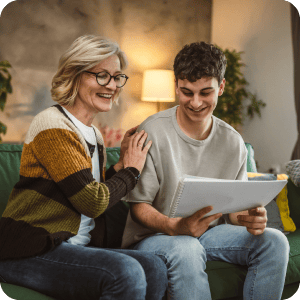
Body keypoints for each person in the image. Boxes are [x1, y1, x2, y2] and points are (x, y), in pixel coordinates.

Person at [0, 35, 168, 300]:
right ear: (75, 75)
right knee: (125, 272)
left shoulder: (93, 134)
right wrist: (131, 171)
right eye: (102, 76)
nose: (112, 85)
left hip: (74, 248)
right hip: (32, 249)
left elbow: (89, 190)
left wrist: (122, 164)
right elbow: (92, 202)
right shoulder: (52, 124)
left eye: (116, 77)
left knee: (155, 267)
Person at [121, 42, 290, 299]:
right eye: (187, 92)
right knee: (187, 248)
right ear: (176, 85)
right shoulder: (151, 132)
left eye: (205, 92)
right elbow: (138, 206)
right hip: (157, 235)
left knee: (275, 241)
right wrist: (174, 226)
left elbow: (233, 213)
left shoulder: (233, 142)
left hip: (211, 234)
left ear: (221, 87)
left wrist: (250, 217)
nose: (196, 103)